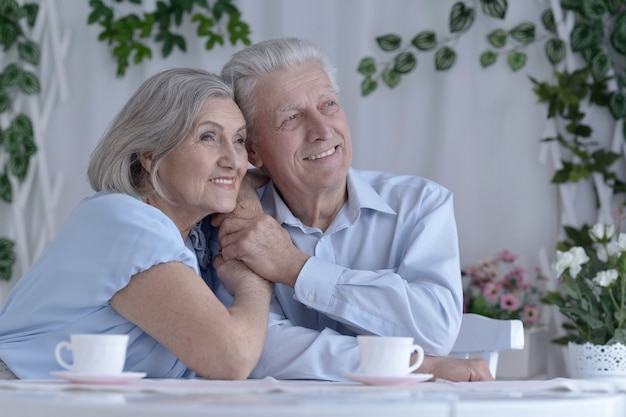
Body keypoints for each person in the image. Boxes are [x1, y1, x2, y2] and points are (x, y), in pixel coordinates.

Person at [209, 37, 493, 382]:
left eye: (328, 104)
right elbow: (258, 350)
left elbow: (435, 330)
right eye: (292, 118)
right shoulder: (236, 223)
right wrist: (416, 365)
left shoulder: (420, 204)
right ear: (253, 150)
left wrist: (295, 267)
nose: (322, 129)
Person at [0, 68, 273, 380]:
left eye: (238, 139)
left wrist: (246, 193)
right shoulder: (127, 225)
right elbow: (232, 358)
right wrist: (255, 281)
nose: (234, 160)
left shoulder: (182, 236)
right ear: (149, 153)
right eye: (208, 137)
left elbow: (262, 174)